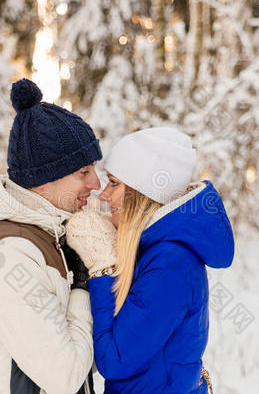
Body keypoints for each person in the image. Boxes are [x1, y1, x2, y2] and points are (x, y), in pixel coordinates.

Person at [0, 78, 101, 394]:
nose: (96, 184)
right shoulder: (9, 254)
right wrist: (83, 287)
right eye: (83, 172)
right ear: (45, 180)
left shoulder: (48, 236)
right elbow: (66, 377)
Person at [66, 127, 235, 394]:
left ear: (140, 192)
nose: (104, 195)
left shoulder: (170, 264)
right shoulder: (156, 252)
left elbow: (113, 360)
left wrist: (103, 270)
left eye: (113, 182)